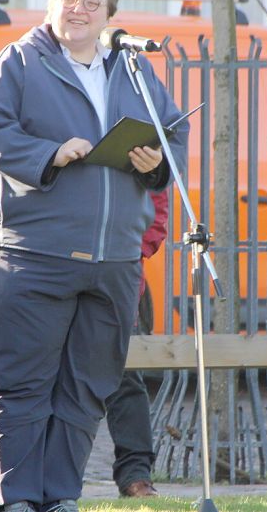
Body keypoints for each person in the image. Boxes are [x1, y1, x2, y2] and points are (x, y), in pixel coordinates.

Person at [0, 0, 187, 509]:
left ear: (110, 14)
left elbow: (174, 140)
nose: (79, 10)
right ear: (51, 6)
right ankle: (15, 497)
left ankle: (60, 495)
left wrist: (153, 162)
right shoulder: (19, 61)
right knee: (23, 384)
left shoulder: (135, 71)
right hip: (28, 253)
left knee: (86, 387)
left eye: (92, 2)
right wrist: (48, 153)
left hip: (113, 257)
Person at [105, 190, 168, 499]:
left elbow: (156, 204)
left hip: (122, 275)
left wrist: (130, 252)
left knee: (127, 379)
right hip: (60, 271)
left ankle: (136, 475)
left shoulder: (141, 144)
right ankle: (52, 479)